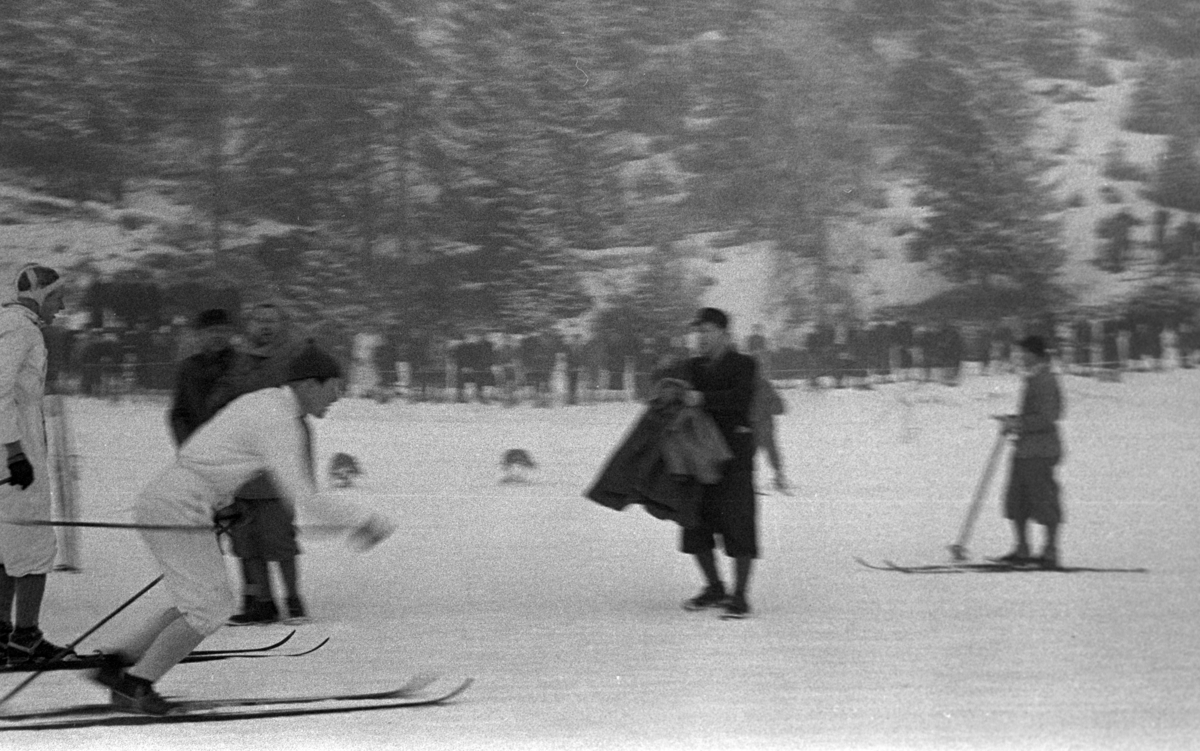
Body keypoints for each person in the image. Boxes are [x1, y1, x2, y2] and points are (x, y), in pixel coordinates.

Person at [91, 344, 394, 715]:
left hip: (174, 500)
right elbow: (305, 500)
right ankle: (135, 685)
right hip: (180, 506)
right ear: (309, 384)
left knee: (196, 604)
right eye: (334, 387)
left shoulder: (264, 403)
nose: (337, 397)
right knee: (209, 609)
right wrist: (365, 520)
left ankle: (116, 664)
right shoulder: (278, 419)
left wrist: (225, 503)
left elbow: (213, 453)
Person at [207, 302, 309, 625]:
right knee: (246, 538)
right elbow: (220, 399)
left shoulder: (293, 358)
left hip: (277, 458)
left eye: (271, 320)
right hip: (242, 459)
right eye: (259, 320)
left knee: (279, 537)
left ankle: (293, 599)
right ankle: (262, 602)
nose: (265, 326)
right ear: (249, 325)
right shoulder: (237, 361)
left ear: (282, 324)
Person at [0, 264, 71, 666]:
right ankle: (26, 639)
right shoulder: (21, 330)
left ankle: (2, 637)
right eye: (57, 297)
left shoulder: (9, 324)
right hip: (15, 456)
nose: (62, 306)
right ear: (40, 293)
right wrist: (14, 452)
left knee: (5, 545)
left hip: (11, 452)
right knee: (32, 543)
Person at [678, 307, 760, 619]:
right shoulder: (691, 367)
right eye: (697, 331)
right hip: (698, 457)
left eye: (707, 331)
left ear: (724, 334)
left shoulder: (744, 364)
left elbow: (740, 399)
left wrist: (703, 399)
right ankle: (714, 587)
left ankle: (739, 596)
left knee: (739, 524)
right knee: (695, 524)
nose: (700, 337)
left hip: (734, 456)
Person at [997, 335, 1065, 569]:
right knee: (1017, 499)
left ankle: (1050, 551)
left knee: (1044, 499)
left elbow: (1048, 417)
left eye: (1023, 353)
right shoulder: (1033, 378)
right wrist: (1014, 420)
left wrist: (1018, 424)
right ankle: (1022, 548)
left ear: (1034, 354)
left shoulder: (1046, 380)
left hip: (1040, 450)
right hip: (1025, 450)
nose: (1019, 358)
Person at [167, 309, 237, 445]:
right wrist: (188, 444)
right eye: (211, 331)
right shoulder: (189, 368)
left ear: (230, 333)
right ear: (200, 335)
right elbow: (179, 413)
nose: (217, 336)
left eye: (222, 331)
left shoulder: (243, 364)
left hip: (235, 447)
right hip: (198, 447)